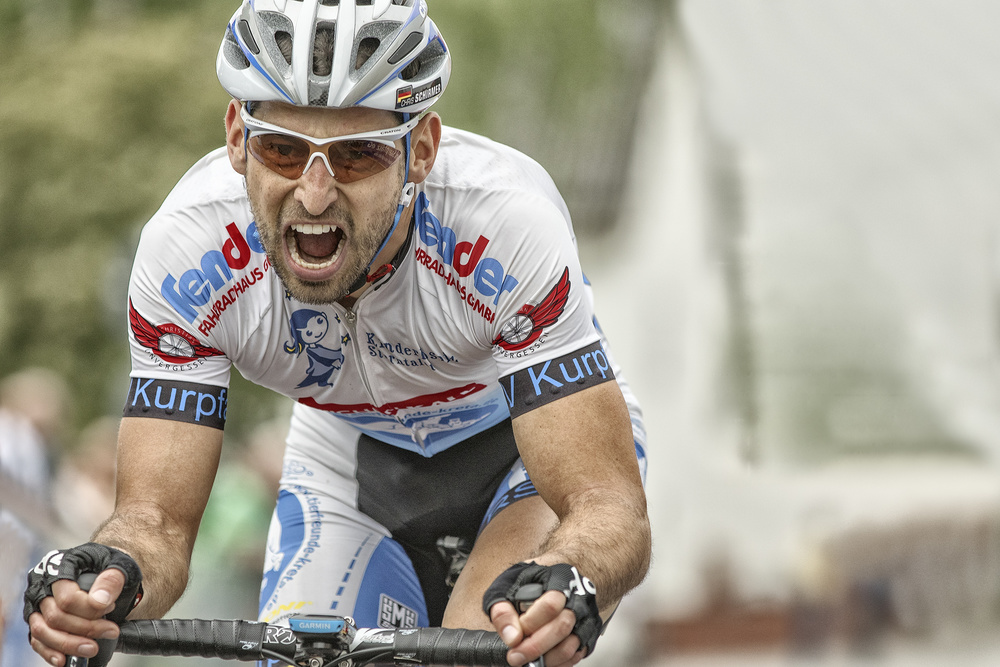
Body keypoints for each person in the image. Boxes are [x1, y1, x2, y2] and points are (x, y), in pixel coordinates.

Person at [23, 2, 651, 667]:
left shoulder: (505, 223)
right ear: (236, 138)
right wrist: (110, 574)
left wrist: (573, 571)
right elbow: (157, 523)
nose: (315, 194)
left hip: (519, 457)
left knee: (478, 651)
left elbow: (606, 506)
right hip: (348, 461)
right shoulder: (186, 254)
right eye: (282, 149)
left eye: (357, 156)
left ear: (420, 151)